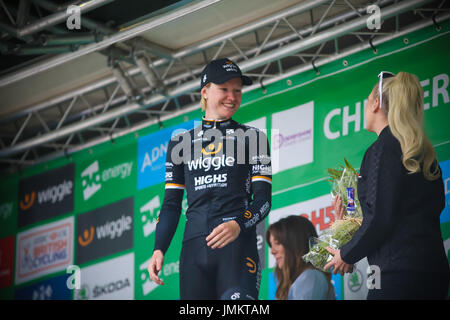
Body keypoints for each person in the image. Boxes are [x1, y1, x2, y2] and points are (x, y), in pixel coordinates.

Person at [148, 58, 272, 300]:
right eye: (224, 89)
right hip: (194, 251)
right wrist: (159, 248)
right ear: (205, 92)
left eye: (237, 90)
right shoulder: (180, 142)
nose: (232, 96)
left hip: (237, 247)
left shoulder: (254, 137)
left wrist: (238, 224)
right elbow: (171, 204)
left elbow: (264, 200)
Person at [325, 71, 450, 299]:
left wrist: (346, 254)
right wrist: (349, 222)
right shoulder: (424, 153)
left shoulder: (382, 149)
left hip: (395, 275)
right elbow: (420, 207)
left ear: (375, 104)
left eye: (366, 101)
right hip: (434, 272)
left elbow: (380, 217)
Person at [266, 215, 335, 300]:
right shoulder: (299, 279)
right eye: (271, 245)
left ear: (294, 244)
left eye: (277, 243)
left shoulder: (310, 277)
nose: (272, 251)